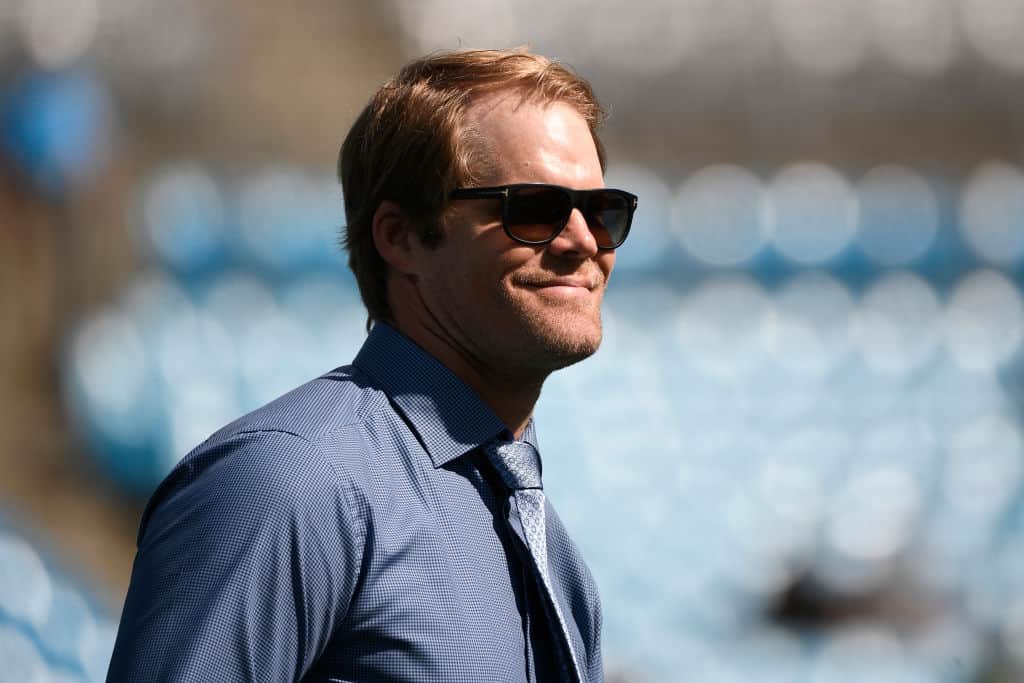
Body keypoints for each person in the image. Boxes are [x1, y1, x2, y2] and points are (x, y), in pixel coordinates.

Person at [107, 48, 637, 683]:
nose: (583, 241)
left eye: (603, 212)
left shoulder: (546, 545)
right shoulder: (291, 485)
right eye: (533, 209)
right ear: (401, 236)